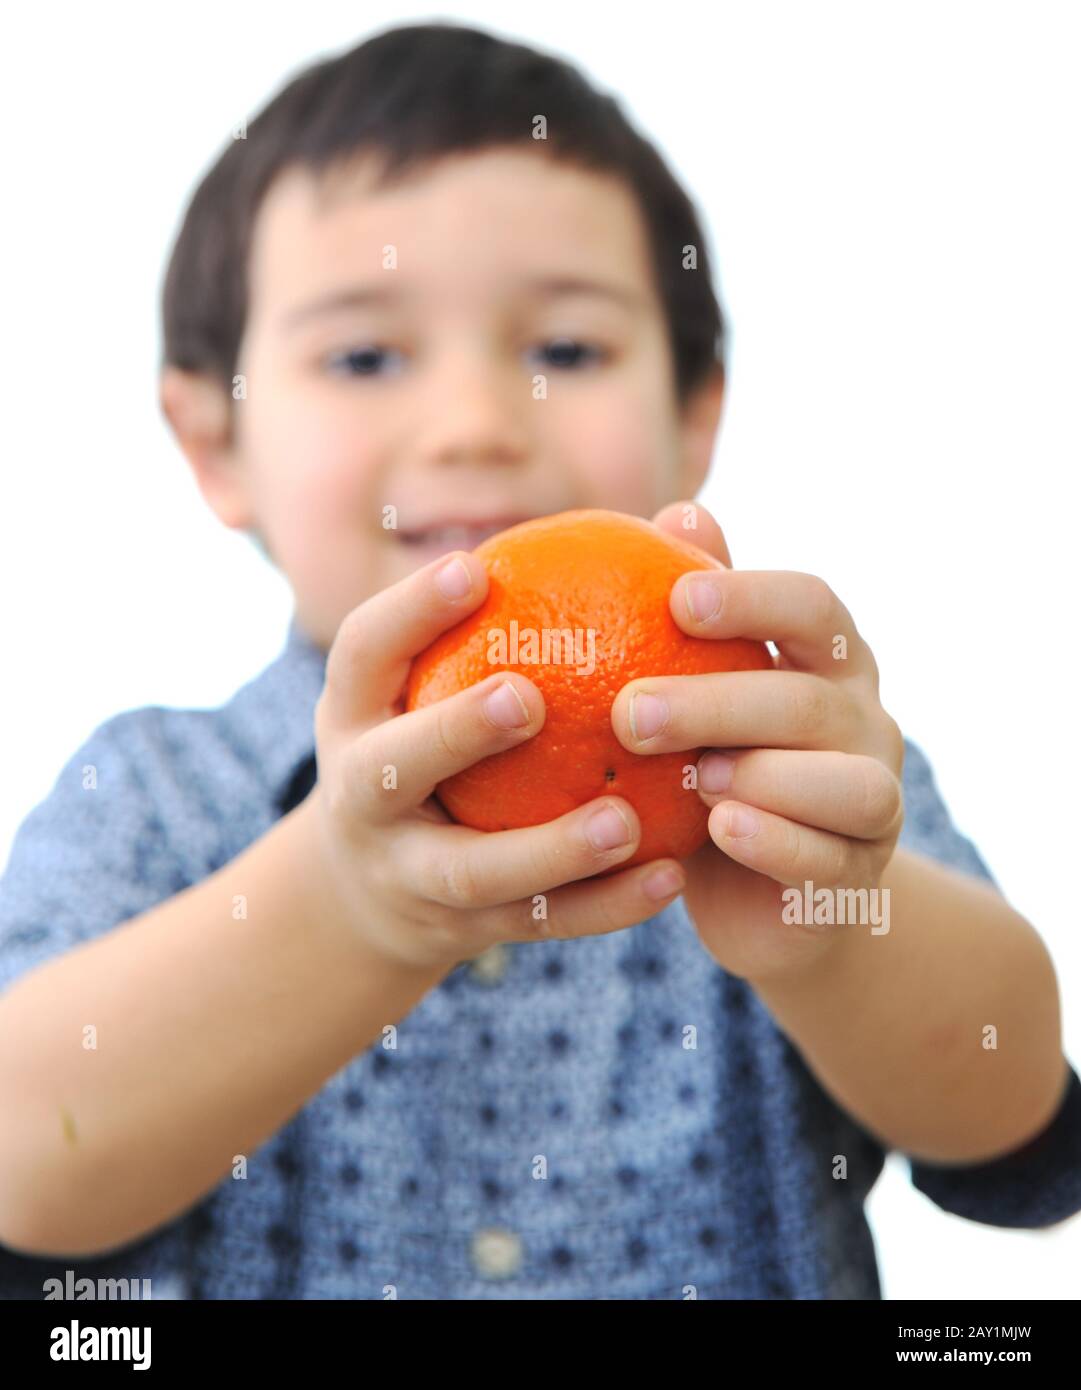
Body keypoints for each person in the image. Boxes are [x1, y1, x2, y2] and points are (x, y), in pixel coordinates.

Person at [1, 21, 1078, 1300]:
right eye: (363, 355)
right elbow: (27, 1157)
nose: (477, 428)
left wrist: (836, 928)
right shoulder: (154, 791)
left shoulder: (795, 761)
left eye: (565, 350)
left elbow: (1007, 1113)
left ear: (696, 413)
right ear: (212, 442)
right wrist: (342, 904)